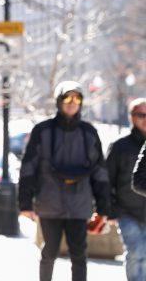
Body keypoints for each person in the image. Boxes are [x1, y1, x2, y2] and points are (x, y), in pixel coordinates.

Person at [18, 81, 111, 281]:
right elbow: (29, 167)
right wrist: (24, 203)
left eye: (77, 98)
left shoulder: (88, 132)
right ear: (59, 101)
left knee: (79, 255)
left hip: (79, 204)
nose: (72, 102)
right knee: (49, 251)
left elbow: (99, 171)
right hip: (49, 202)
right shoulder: (42, 131)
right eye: (67, 98)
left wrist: (103, 207)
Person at [107, 98, 146, 281]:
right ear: (132, 117)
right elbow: (106, 180)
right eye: (141, 115)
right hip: (127, 212)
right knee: (136, 252)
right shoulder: (120, 147)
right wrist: (111, 210)